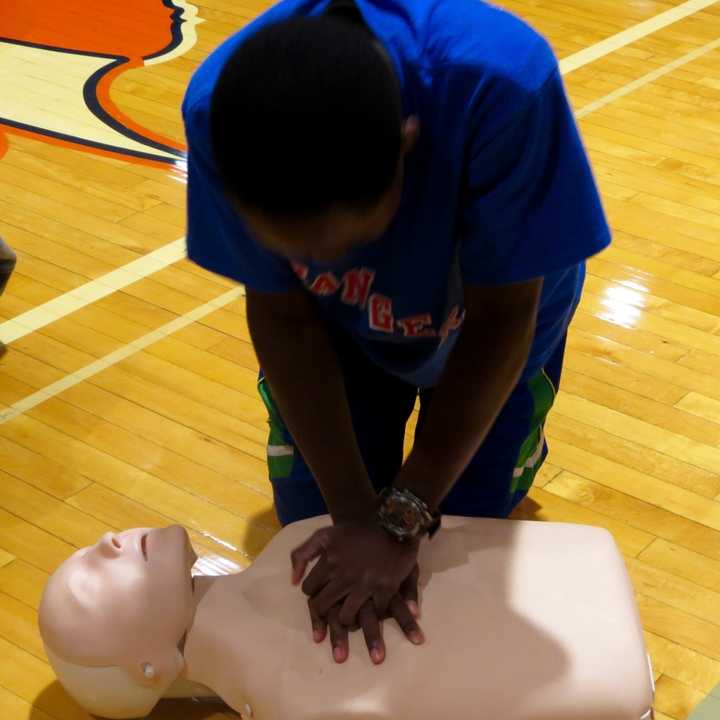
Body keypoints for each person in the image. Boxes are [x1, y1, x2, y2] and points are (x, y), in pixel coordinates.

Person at [182, 0, 611, 662]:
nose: (327, 269)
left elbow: (503, 319)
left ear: (407, 149)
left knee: (469, 534)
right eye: (302, 256)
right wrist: (356, 514)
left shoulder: (501, 85)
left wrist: (404, 512)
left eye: (348, 243)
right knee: (312, 521)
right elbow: (285, 315)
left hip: (491, 320)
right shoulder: (222, 113)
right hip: (336, 340)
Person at [38, 519, 654, 720]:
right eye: (88, 589)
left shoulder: (299, 543)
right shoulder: (294, 695)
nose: (108, 545)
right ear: (149, 668)